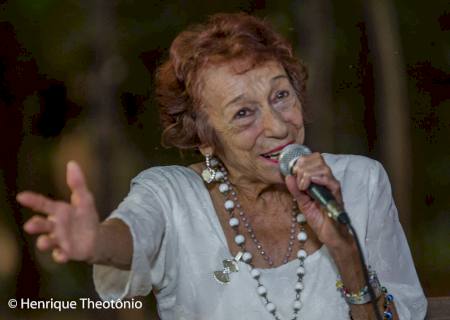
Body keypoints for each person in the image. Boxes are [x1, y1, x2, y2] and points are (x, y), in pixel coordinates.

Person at [17, 13, 427, 320]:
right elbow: (134, 233)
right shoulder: (171, 196)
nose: (279, 125)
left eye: (281, 96)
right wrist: (96, 242)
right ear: (204, 139)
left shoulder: (359, 183)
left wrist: (346, 252)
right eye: (244, 113)